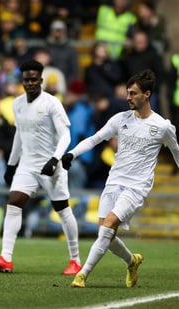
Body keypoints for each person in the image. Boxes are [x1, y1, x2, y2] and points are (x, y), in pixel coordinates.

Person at [63, 69, 179, 288]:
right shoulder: (120, 119)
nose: (128, 97)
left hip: (136, 188)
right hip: (114, 182)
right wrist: (71, 154)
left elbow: (177, 152)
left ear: (147, 94)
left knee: (107, 228)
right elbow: (94, 139)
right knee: (104, 234)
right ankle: (132, 261)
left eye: (133, 93)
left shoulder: (162, 126)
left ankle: (82, 274)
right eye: (127, 92)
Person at [0, 59, 82, 275]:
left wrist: (55, 159)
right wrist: (11, 165)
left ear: (41, 80)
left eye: (34, 79)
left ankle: (75, 260)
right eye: (26, 79)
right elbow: (19, 135)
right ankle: (6, 258)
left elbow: (66, 135)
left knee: (62, 209)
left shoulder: (52, 103)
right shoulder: (17, 104)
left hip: (51, 165)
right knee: (14, 202)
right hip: (27, 165)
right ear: (22, 81)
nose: (30, 83)